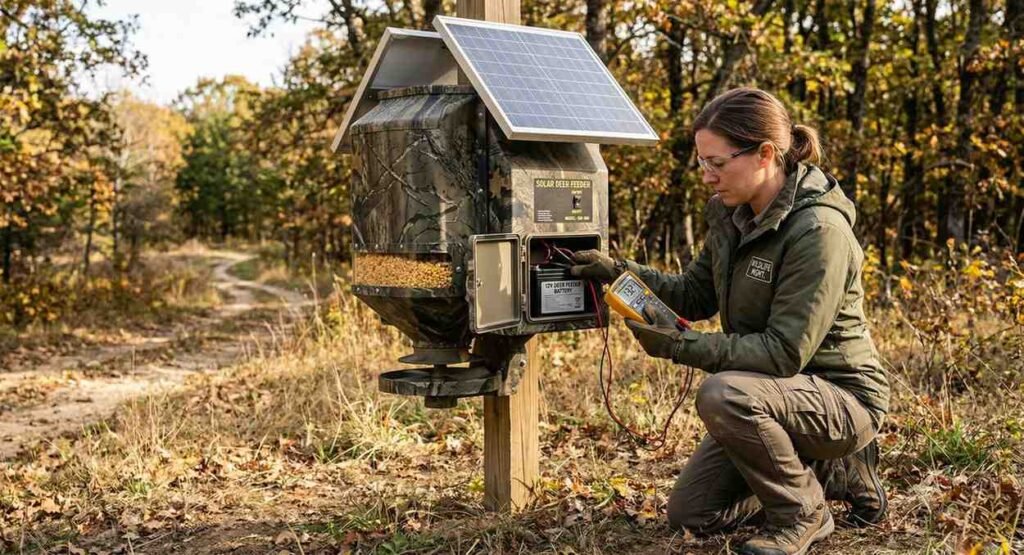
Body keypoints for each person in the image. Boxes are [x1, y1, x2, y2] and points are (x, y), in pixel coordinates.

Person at [570, 87, 890, 555]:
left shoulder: (819, 231)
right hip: (772, 393)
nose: (707, 176)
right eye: (702, 162)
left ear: (765, 154)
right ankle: (828, 472)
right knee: (694, 514)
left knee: (723, 394)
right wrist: (622, 272)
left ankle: (803, 513)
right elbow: (695, 293)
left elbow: (782, 353)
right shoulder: (729, 215)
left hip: (840, 398)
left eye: (717, 163)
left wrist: (679, 345)